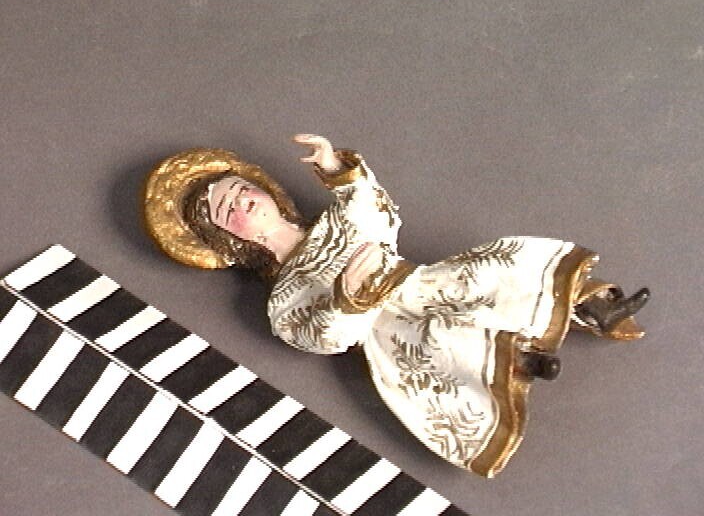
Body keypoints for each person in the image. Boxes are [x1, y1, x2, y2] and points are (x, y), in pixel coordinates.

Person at [144, 134, 649, 477]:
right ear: (227, 236)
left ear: (265, 189)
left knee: (495, 272)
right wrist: (348, 297)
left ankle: (592, 306)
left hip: (419, 284)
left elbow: (378, 216)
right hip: (387, 332)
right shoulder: (284, 297)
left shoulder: (335, 222)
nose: (242, 200)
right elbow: (321, 336)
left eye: (242, 189)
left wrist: (337, 171)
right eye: (227, 207)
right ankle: (521, 359)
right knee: (441, 347)